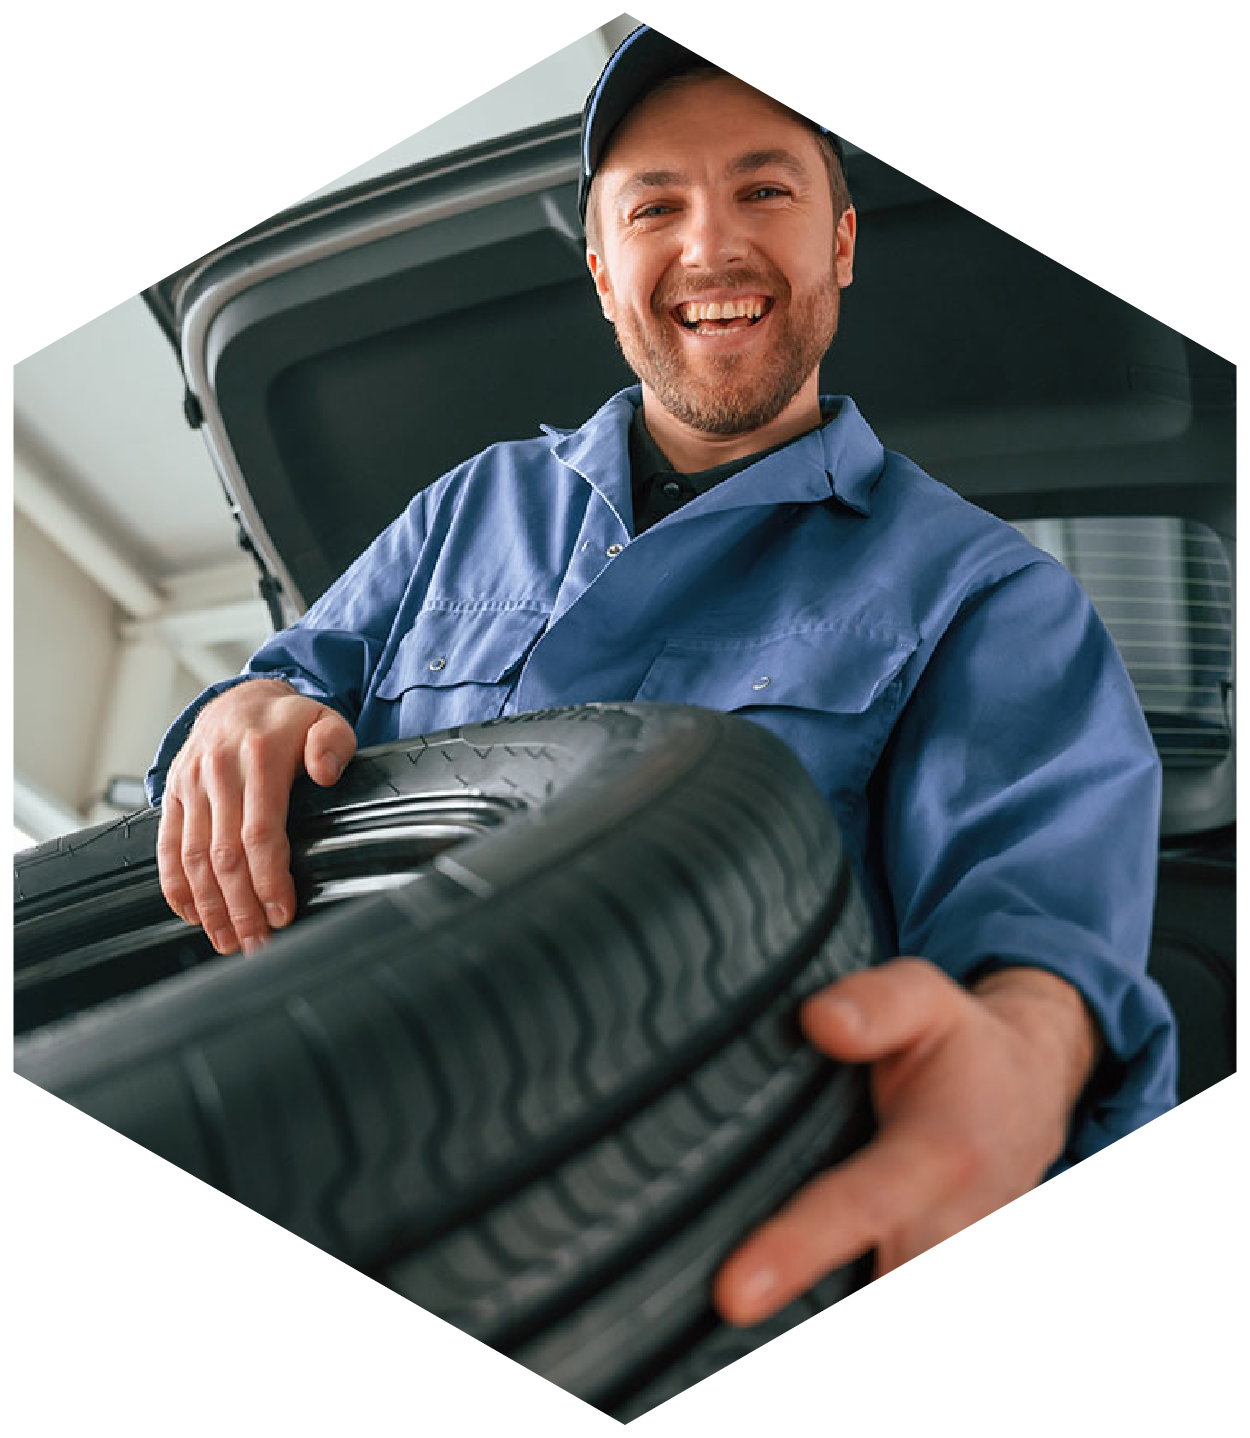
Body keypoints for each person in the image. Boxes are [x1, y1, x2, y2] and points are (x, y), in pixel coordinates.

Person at [147, 26, 1176, 1327]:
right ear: (601, 270)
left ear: (840, 244)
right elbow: (283, 692)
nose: (710, 246)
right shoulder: (467, 507)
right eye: (653, 207)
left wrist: (1025, 1055)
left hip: (677, 1251)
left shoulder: (986, 593)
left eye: (764, 190)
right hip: (321, 1158)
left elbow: (1035, 940)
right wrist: (238, 711)